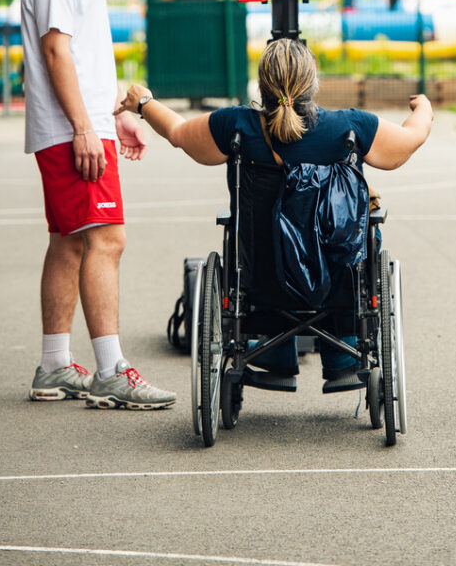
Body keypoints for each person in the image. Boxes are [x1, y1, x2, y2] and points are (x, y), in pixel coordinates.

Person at [117, 36, 433, 389]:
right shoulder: (348, 127)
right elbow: (409, 141)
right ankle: (342, 350)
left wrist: (143, 102)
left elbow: (177, 132)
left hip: (263, 279)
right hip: (336, 284)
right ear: (312, 81)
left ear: (262, 83)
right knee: (364, 227)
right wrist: (424, 109)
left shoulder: (237, 126)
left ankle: (277, 349)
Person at [21, 0, 175, 410]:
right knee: (107, 240)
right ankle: (112, 371)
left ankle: (56, 366)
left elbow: (80, 58)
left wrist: (113, 115)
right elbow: (57, 51)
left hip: (76, 124)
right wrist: (86, 129)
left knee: (69, 243)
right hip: (70, 131)